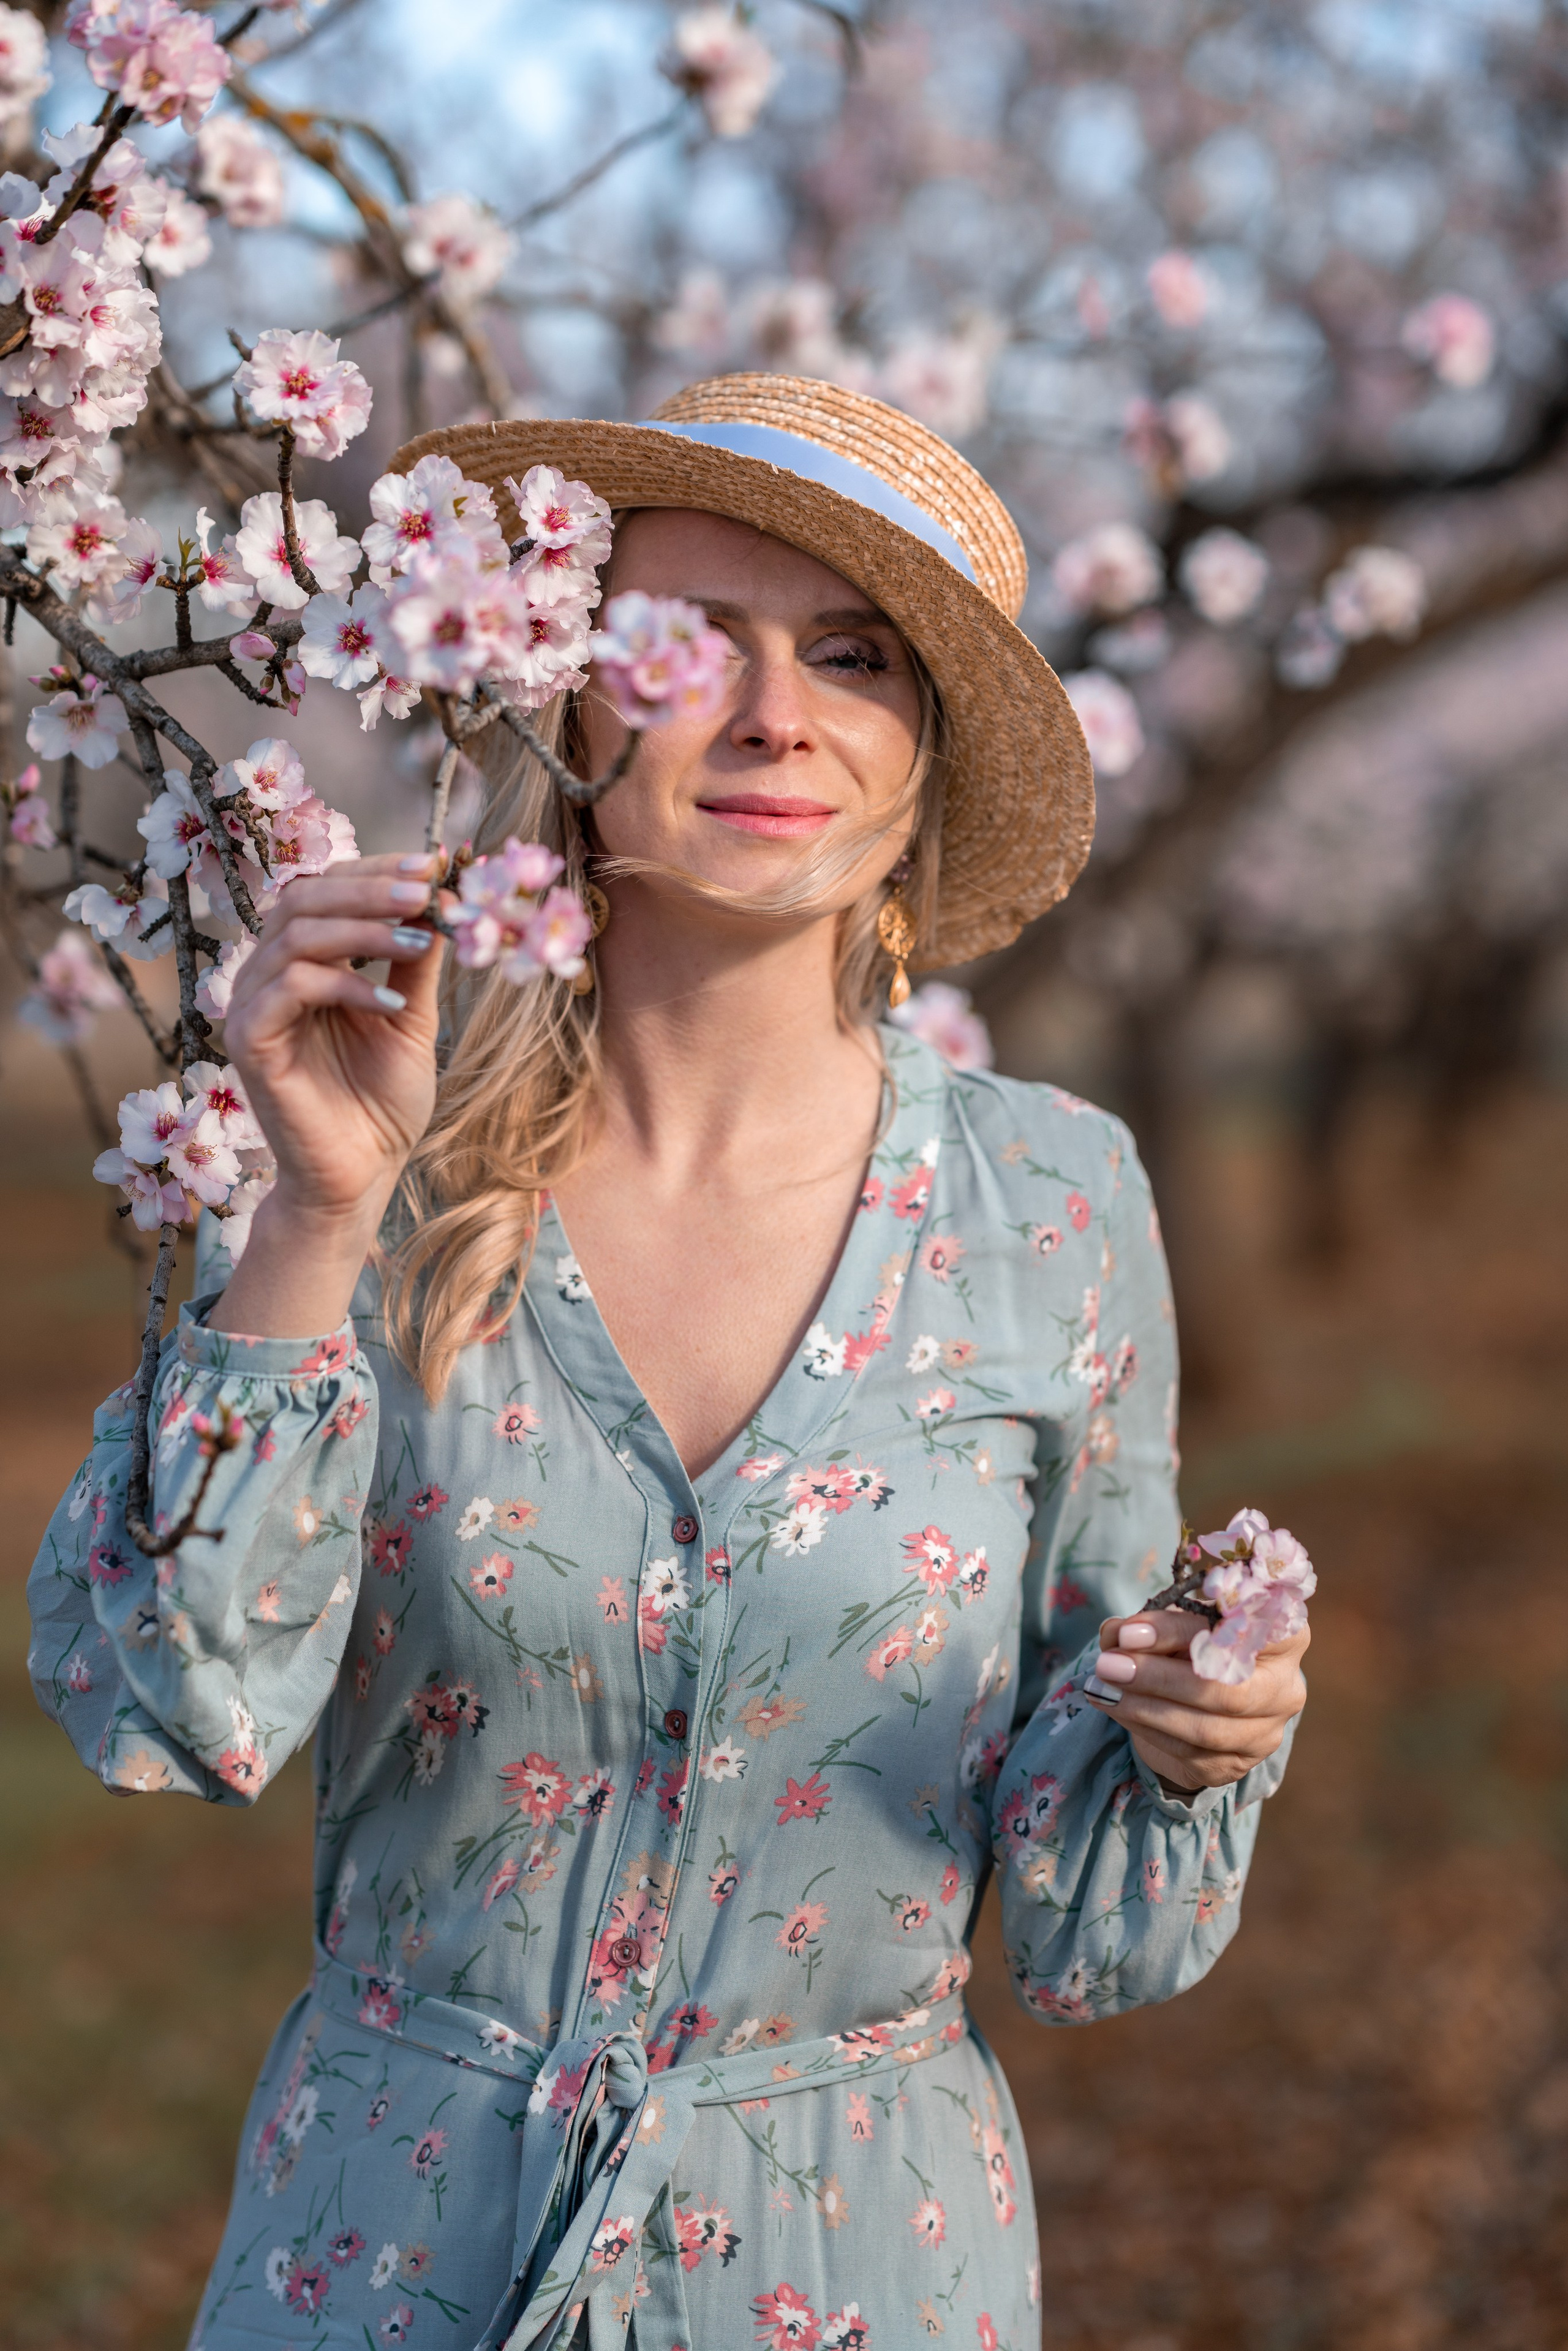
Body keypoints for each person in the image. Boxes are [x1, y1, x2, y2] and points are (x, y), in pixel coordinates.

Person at [28, 374, 1307, 2350]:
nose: (775, 714)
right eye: (693, 642)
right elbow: (166, 1710)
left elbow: (1081, 1920)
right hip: (391, 2254)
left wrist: (1189, 1741)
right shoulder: (357, 1161)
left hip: (859, 2263)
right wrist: (306, 1223)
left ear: (921, 755)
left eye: (857, 658)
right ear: (564, 696)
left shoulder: (1056, 1204)